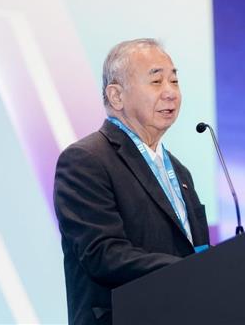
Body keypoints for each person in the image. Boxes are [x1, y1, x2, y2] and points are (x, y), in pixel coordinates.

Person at [53, 38, 210, 325]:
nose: (170, 93)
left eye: (174, 81)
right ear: (116, 96)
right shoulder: (86, 160)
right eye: (156, 81)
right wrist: (193, 269)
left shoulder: (180, 171)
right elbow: (104, 254)